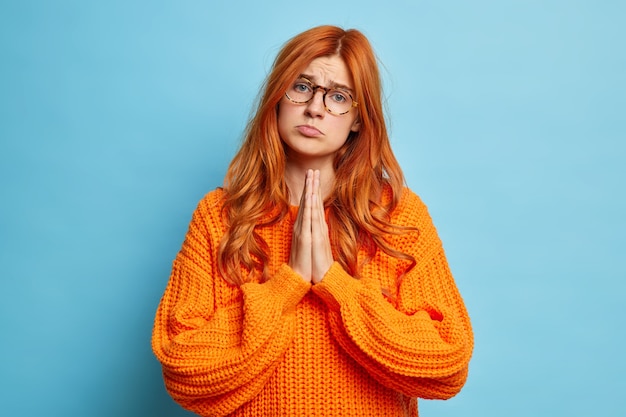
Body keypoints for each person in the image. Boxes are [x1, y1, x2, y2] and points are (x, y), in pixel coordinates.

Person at [152, 25, 473, 417]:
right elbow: (184, 370)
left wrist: (334, 284)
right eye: (302, 87)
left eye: (339, 97)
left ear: (358, 119)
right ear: (277, 98)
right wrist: (285, 287)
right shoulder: (220, 217)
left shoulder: (396, 214)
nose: (315, 108)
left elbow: (447, 364)